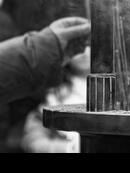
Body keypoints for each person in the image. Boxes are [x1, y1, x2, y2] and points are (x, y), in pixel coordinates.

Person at [0, 17, 90, 152]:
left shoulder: (113, 90)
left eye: (90, 46)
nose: (84, 53)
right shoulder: (53, 89)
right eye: (83, 46)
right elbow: (33, 139)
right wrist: (69, 148)